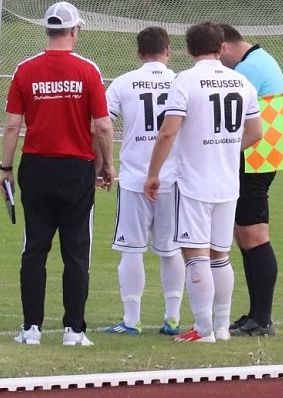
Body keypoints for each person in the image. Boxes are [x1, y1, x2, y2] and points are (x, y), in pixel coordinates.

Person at [0, 1, 115, 347]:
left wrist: (5, 167)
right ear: (75, 31)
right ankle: (74, 329)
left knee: (35, 248)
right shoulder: (88, 70)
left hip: (36, 165)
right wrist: (106, 164)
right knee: (77, 250)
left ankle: (31, 328)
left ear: (47, 30)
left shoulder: (25, 69)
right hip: (76, 168)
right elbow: (103, 126)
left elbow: (12, 125)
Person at [143, 21, 263, 343]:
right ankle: (222, 327)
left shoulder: (185, 80)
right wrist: (225, 148)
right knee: (220, 255)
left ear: (188, 49)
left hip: (194, 182)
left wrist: (153, 173)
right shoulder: (242, 82)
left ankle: (203, 328)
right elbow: (256, 132)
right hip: (227, 183)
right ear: (222, 47)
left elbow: (169, 130)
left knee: (195, 255)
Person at [102, 27, 185, 337]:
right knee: (170, 249)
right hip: (173, 178)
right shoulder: (181, 81)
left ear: (138, 53)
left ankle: (132, 320)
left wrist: (103, 163)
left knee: (132, 250)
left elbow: (103, 126)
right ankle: (172, 319)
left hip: (136, 177)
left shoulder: (122, 83)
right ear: (168, 51)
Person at [218, 23, 283, 337]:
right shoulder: (259, 61)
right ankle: (257, 315)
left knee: (253, 234)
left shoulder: (249, 69)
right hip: (261, 155)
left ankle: (263, 318)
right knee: (246, 236)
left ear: (225, 47)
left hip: (256, 157)